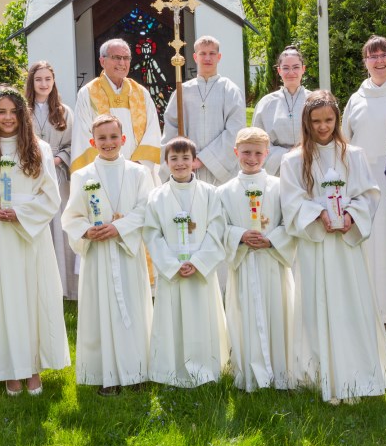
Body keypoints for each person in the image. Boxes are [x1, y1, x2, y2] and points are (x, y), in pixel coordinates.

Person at [279, 90, 386, 404]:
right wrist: (318, 214)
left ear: (337, 119)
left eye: (328, 120)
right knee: (317, 304)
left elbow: (368, 195)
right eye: (316, 121)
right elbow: (291, 201)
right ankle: (320, 373)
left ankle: (358, 371)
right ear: (306, 122)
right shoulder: (293, 160)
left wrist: (349, 217)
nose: (322, 127)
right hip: (316, 244)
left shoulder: (352, 154)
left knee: (350, 304)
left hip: (345, 245)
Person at [0, 86, 70, 395]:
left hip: (29, 236)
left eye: (13, 111)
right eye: (1, 112)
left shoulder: (40, 149)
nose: (7, 118)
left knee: (32, 298)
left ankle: (33, 367)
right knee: (3, 299)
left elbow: (51, 197)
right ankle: (9, 367)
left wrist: (21, 213)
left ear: (23, 114)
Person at [62, 115, 155, 396]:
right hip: (99, 255)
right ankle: (106, 375)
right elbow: (72, 216)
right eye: (101, 139)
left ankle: (137, 371)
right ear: (93, 142)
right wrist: (88, 232)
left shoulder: (139, 173)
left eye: (114, 137)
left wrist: (119, 227)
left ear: (123, 139)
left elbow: (145, 210)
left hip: (127, 252)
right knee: (101, 310)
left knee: (134, 309)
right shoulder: (82, 175)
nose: (108, 143)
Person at [143, 137, 229, 387]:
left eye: (185, 158)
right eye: (174, 158)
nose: (180, 163)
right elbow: (152, 233)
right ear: (166, 162)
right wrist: (171, 264)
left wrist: (200, 262)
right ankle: (170, 368)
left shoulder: (210, 193)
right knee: (173, 320)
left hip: (201, 270)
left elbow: (217, 229)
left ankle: (208, 367)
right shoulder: (157, 197)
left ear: (195, 162)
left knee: (203, 317)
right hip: (173, 269)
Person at [218, 127, 295, 392]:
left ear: (267, 153)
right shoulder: (224, 192)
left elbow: (289, 223)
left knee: (278, 313)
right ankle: (248, 371)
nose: (251, 158)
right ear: (235, 151)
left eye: (258, 153)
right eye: (246, 152)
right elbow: (219, 227)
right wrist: (239, 235)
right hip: (244, 264)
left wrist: (271, 239)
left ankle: (280, 372)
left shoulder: (279, 187)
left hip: (271, 263)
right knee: (245, 315)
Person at [343, 36, 386, 325]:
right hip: (364, 182)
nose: (379, 61)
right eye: (372, 56)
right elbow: (345, 142)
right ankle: (370, 311)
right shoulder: (356, 98)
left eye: (384, 55)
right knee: (368, 243)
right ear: (365, 62)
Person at [71, 39, 161, 183]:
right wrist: (107, 166)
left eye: (126, 58)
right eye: (116, 58)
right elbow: (82, 135)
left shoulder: (141, 93)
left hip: (138, 174)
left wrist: (137, 166)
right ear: (102, 61)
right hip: (103, 173)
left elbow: (153, 131)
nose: (122, 63)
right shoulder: (88, 93)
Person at [161, 35, 246, 187]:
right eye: (202, 53)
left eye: (212, 53)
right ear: (195, 57)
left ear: (219, 57)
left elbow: (236, 130)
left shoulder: (230, 90)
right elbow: (171, 128)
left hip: (221, 172)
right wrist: (185, 157)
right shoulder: (182, 91)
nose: (207, 58)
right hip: (188, 167)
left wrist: (204, 158)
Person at [26, 61, 78, 300]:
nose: (43, 84)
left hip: (56, 175)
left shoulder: (64, 111)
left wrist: (57, 159)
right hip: (29, 175)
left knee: (59, 227)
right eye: (39, 79)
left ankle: (62, 286)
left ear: (53, 81)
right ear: (32, 82)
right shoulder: (22, 110)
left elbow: (71, 145)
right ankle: (34, 285)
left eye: (48, 79)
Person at [252, 46, 310, 175]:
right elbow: (257, 140)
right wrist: (286, 154)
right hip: (277, 167)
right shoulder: (266, 103)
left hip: (309, 163)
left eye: (295, 67)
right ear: (279, 70)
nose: (291, 72)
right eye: (286, 68)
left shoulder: (313, 100)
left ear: (303, 69)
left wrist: (304, 152)